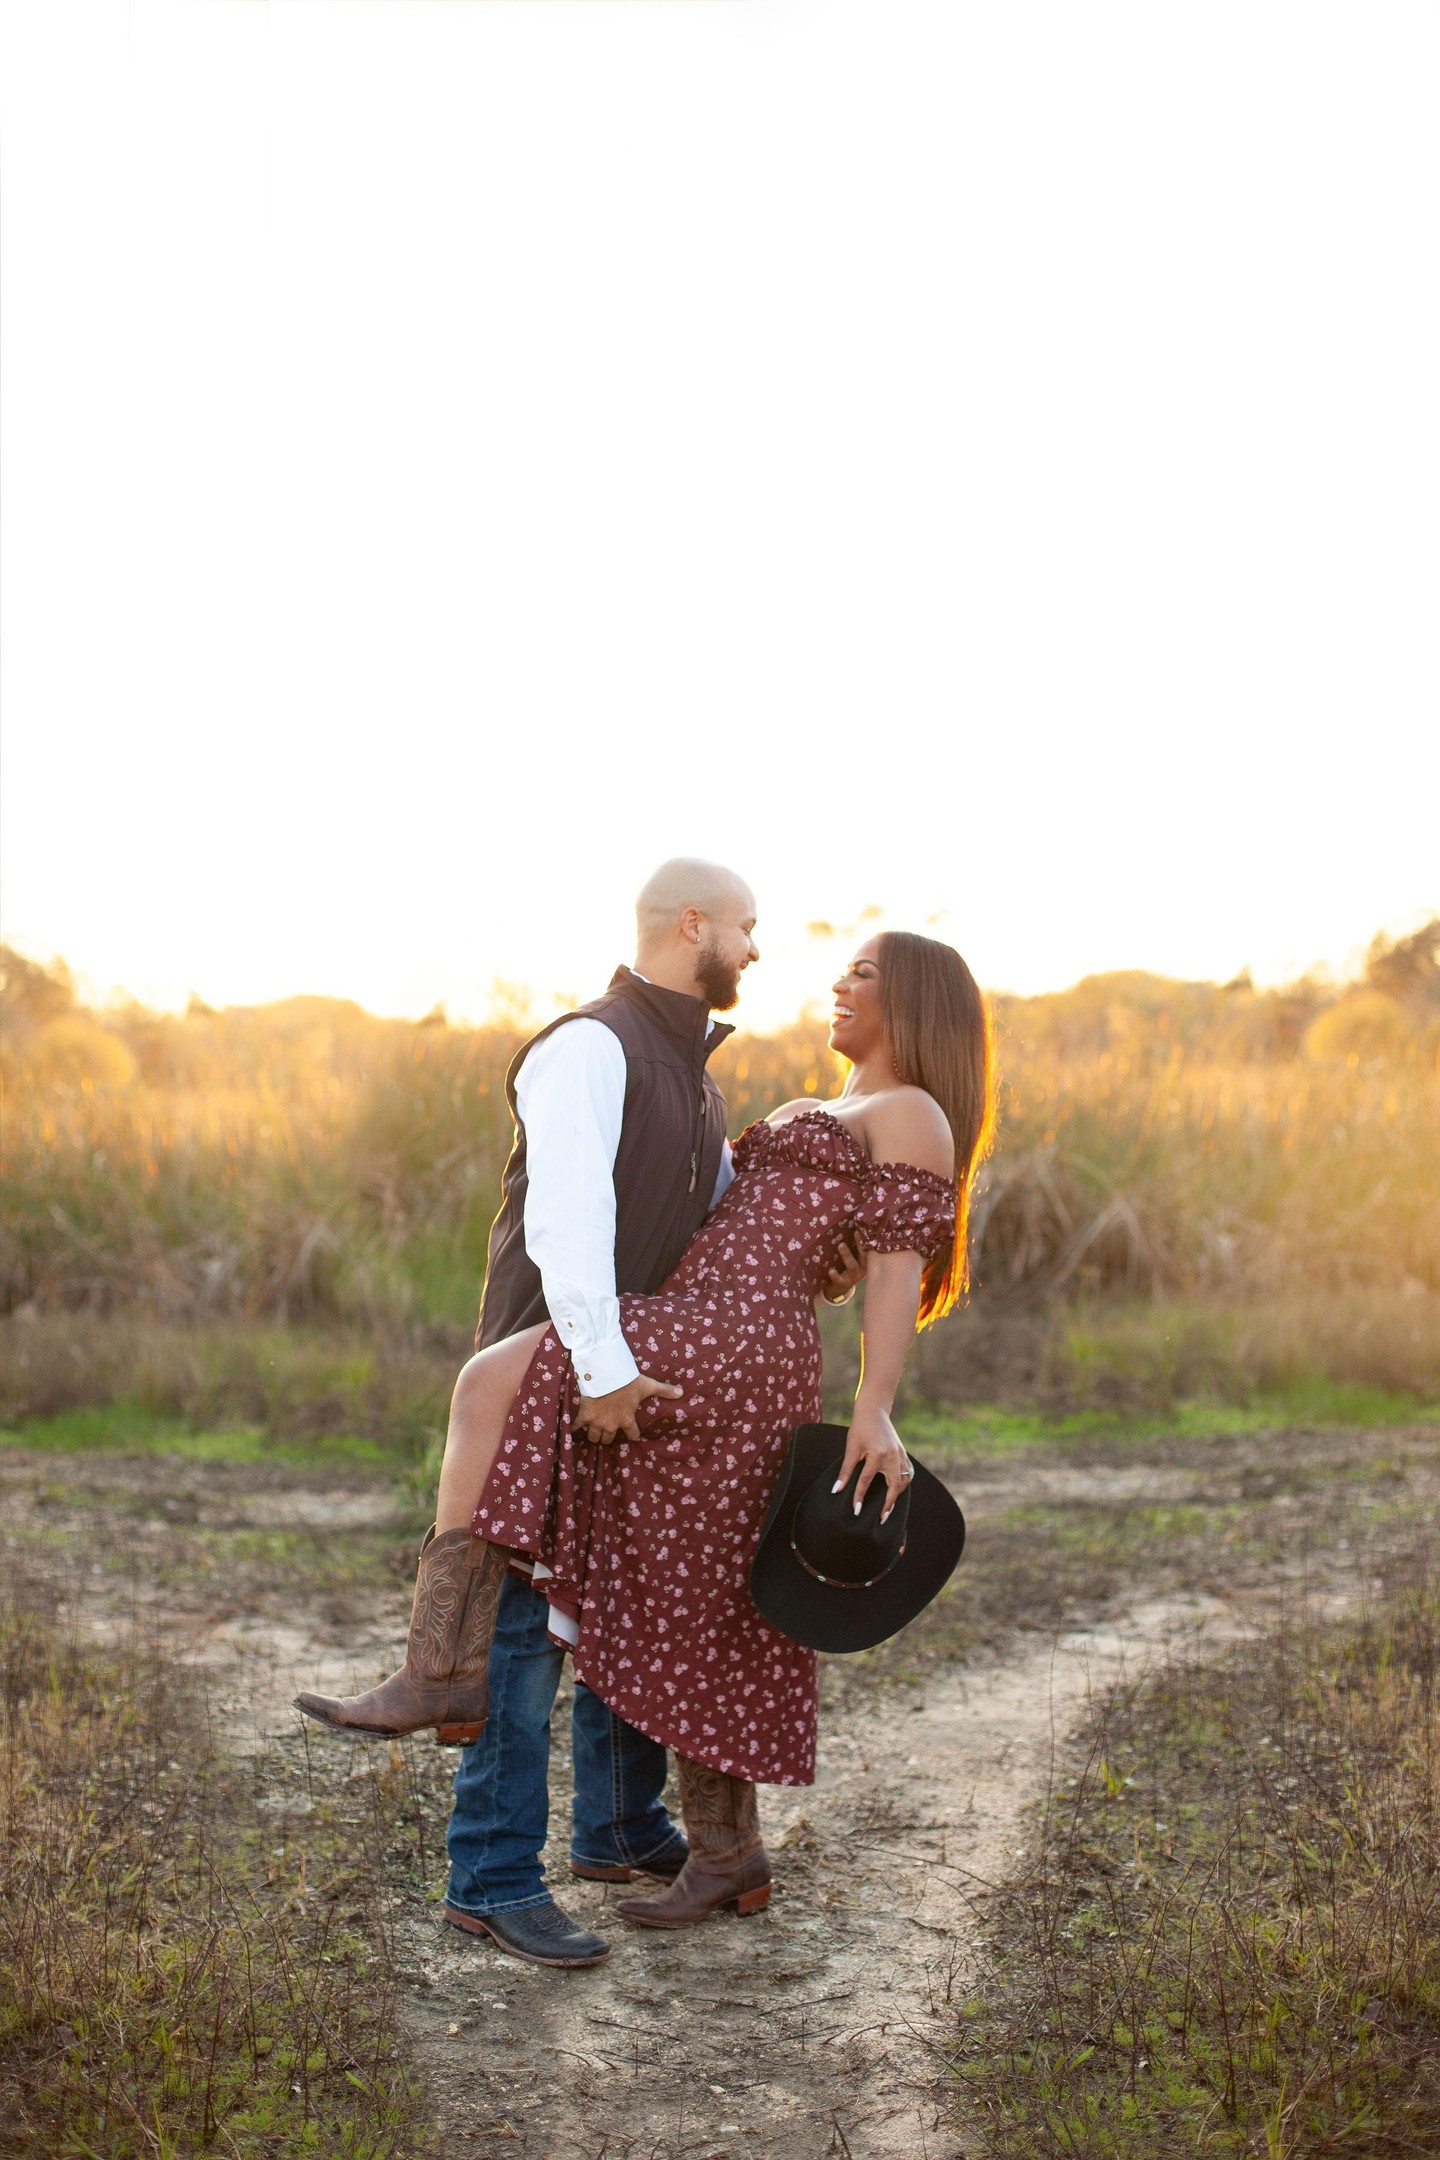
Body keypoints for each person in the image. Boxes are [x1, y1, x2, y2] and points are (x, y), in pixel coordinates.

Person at [296, 860, 865, 1969]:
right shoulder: (590, 1047)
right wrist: (601, 1373)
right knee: (516, 1641)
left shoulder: (695, 1081)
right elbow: (565, 1225)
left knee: (619, 1601)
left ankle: (616, 1830)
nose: (755, 949)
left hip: (620, 1383)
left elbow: (701, 1245)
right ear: (690, 924)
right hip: (555, 1372)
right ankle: (492, 1880)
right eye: (746, 928)